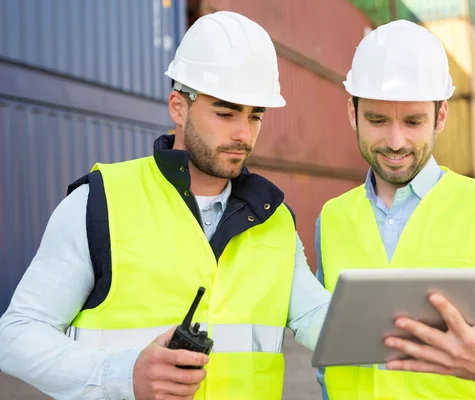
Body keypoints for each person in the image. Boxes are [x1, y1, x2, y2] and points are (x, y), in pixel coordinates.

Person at [0, 11, 331, 400]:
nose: (243, 134)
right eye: (225, 113)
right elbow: (17, 334)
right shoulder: (100, 202)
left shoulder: (274, 220)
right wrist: (122, 376)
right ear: (179, 106)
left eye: (254, 116)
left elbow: (315, 317)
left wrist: (393, 330)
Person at [314, 20, 475, 400]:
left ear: (441, 116)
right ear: (352, 113)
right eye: (377, 120)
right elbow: (328, 347)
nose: (396, 142)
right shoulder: (331, 218)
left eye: (413, 122)